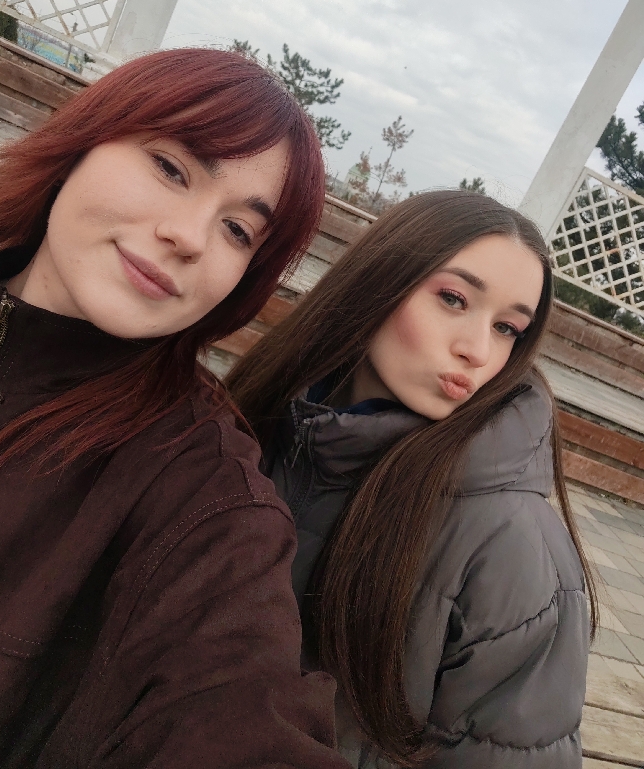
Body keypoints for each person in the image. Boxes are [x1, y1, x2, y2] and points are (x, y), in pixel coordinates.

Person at [0, 48, 351, 769]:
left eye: (237, 230)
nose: (189, 237)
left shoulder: (206, 498)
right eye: (171, 167)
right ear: (84, 140)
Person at [228, 191, 597, 769]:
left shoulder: (512, 548)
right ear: (379, 280)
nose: (477, 350)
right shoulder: (250, 427)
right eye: (453, 299)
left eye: (507, 328)